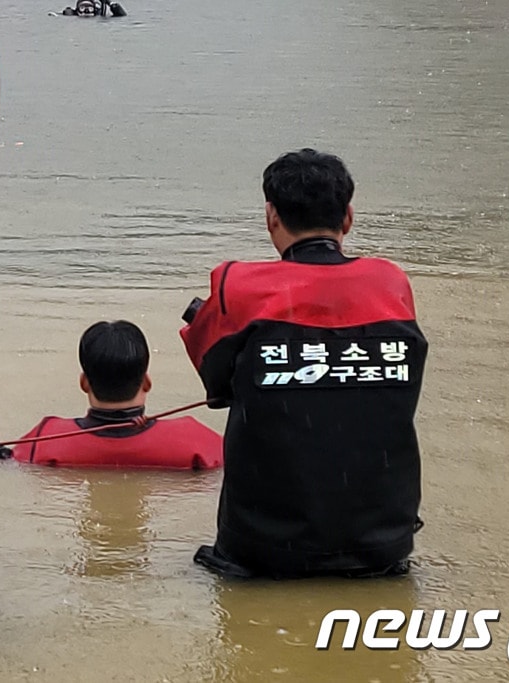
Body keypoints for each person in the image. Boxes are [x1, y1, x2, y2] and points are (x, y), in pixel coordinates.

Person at [179, 149, 427, 579]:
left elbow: (216, 387)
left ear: (271, 216)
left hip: (263, 551)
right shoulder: (391, 283)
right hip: (381, 548)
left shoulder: (236, 285)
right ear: (347, 217)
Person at [6, 320, 222, 469]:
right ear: (147, 382)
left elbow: (11, 463)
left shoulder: (40, 442)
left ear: (84, 383)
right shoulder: (198, 443)